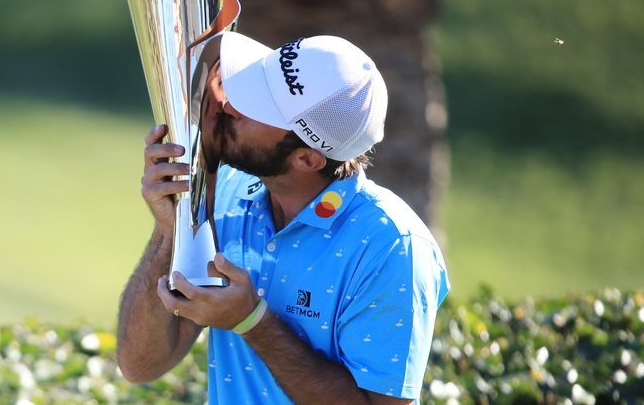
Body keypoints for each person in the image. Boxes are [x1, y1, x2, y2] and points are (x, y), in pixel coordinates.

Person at [116, 32, 450, 405]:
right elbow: (139, 365)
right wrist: (173, 225)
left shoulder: (392, 248)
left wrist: (253, 322)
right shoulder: (226, 190)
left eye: (255, 106)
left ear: (306, 159)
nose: (227, 105)